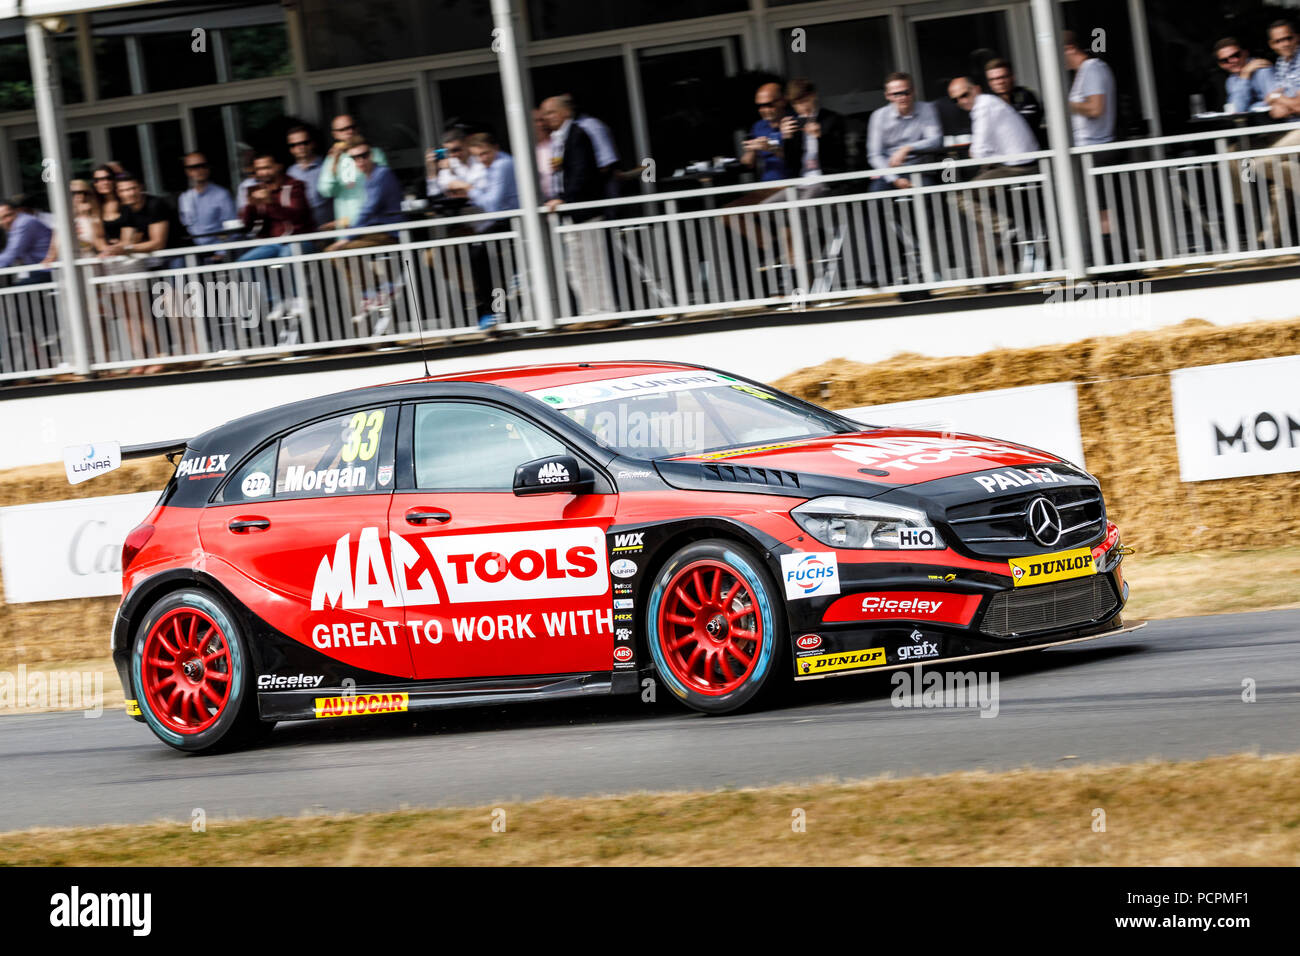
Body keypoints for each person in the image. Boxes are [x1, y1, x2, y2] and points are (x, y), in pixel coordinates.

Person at [948, 76, 1040, 274]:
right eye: (956, 100)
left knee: (957, 195)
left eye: (964, 95)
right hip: (1020, 164)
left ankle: (1006, 228)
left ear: (976, 89)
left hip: (1019, 168)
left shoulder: (982, 107)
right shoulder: (990, 103)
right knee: (977, 197)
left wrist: (980, 156)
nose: (962, 101)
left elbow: (979, 152)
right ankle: (998, 270)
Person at [541, 94, 612, 315]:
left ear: (565, 112)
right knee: (576, 265)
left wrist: (565, 198)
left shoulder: (578, 134)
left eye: (551, 112)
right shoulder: (559, 138)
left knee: (594, 262)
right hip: (572, 211)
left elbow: (582, 172)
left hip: (584, 210)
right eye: (545, 114)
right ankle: (588, 310)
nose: (547, 118)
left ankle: (603, 311)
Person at [325, 138, 404, 327]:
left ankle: (378, 289)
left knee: (337, 251)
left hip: (388, 234)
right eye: (355, 158)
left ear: (372, 155)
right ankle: (377, 290)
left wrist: (346, 237)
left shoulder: (381, 174)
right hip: (375, 232)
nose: (360, 161)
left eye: (363, 155)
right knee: (335, 252)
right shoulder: (370, 177)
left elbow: (369, 209)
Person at [444, 131, 518, 332]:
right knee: (483, 263)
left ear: (495, 148)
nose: (482, 159)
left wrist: (468, 189)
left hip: (508, 222)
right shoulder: (493, 165)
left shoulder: (502, 165)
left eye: (485, 154)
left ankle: (495, 311)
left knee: (482, 260)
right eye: (478, 156)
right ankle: (495, 311)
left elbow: (492, 204)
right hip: (496, 224)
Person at [867, 72, 943, 190]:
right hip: (889, 172)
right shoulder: (879, 116)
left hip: (919, 170)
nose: (902, 97)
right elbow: (875, 155)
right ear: (887, 96)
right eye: (896, 94)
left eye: (906, 92)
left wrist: (907, 148)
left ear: (913, 91)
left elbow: (936, 140)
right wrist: (894, 179)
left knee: (931, 196)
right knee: (875, 197)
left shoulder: (927, 109)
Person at [317, 114, 388, 231]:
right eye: (343, 129)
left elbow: (383, 184)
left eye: (352, 127)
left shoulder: (374, 153)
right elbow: (326, 191)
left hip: (375, 222)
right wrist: (334, 162)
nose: (349, 131)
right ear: (335, 134)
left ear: (357, 129)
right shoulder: (332, 159)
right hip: (347, 226)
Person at [782, 77, 848, 183]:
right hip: (800, 181)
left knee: (805, 197)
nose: (801, 107)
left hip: (825, 180)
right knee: (772, 200)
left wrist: (820, 137)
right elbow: (790, 164)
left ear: (814, 95)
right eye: (796, 104)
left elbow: (839, 157)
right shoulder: (793, 124)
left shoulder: (832, 119)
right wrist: (787, 138)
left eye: (805, 101)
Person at [1063, 31, 1116, 146]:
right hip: (1088, 146)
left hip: (1092, 148)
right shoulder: (1085, 70)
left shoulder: (1092, 69)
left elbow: (1095, 109)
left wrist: (1064, 105)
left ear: (1070, 49)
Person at [740, 81, 797, 182]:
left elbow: (796, 157)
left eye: (768, 104)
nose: (764, 109)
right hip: (768, 183)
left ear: (783, 101)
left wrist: (771, 147)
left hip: (793, 181)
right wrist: (750, 150)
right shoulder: (758, 126)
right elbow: (748, 163)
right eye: (760, 106)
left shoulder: (794, 121)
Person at [177, 151, 236, 247]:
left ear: (208, 168)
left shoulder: (222, 195)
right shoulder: (184, 198)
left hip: (220, 252)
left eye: (203, 165)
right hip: (194, 253)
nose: (199, 170)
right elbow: (185, 228)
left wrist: (222, 252)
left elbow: (232, 228)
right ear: (187, 171)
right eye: (194, 167)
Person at [984, 58, 1045, 145]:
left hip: (1028, 151)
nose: (1000, 82)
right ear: (989, 83)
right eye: (994, 79)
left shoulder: (1025, 96)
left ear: (1012, 77)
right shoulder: (988, 101)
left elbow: (1022, 127)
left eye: (1003, 77)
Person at [285, 126, 330, 230]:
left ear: (312, 143)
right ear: (291, 149)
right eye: (294, 145)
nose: (300, 147)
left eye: (304, 143)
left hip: (328, 229)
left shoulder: (327, 166)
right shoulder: (289, 173)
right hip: (303, 231)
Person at [0, 198, 53, 281]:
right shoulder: (15, 225)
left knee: (13, 292)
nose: (6, 221)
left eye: (8, 215)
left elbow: (12, 253)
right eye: (1, 218)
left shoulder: (24, 222)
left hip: (50, 269)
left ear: (17, 211)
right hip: (40, 269)